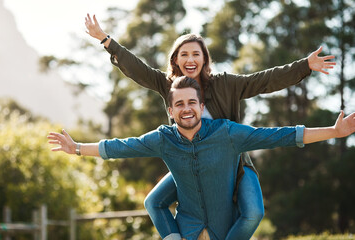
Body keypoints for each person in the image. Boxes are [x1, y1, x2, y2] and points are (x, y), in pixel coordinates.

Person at [84, 14, 336, 240]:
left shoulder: (226, 84)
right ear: (175, 60)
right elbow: (138, 69)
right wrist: (107, 40)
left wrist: (305, 66)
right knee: (153, 201)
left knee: (254, 211)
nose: (190, 59)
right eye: (184, 54)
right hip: (189, 163)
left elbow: (265, 80)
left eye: (196, 54)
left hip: (232, 162)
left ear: (205, 59)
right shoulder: (168, 85)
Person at [48, 76, 355, 240]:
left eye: (191, 102)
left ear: (201, 104)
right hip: (187, 232)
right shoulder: (163, 139)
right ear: (170, 111)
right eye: (179, 104)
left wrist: (333, 131)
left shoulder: (227, 133)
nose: (186, 109)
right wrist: (76, 148)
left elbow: (280, 135)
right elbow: (118, 147)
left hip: (227, 232)